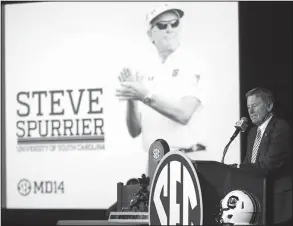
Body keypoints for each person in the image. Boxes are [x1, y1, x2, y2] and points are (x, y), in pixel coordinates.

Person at [115, 4, 209, 155]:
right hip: (156, 160)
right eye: (162, 25)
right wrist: (132, 98)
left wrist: (144, 96)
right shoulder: (145, 70)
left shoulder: (193, 63)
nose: (169, 29)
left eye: (174, 23)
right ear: (150, 34)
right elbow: (135, 131)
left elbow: (184, 114)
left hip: (188, 159)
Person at [240, 87, 292, 226]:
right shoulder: (252, 133)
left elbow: (269, 166)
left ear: (269, 106)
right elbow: (248, 163)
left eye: (255, 106)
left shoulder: (280, 127)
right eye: (248, 107)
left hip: (278, 203)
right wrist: (236, 170)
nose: (250, 111)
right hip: (258, 198)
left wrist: (241, 168)